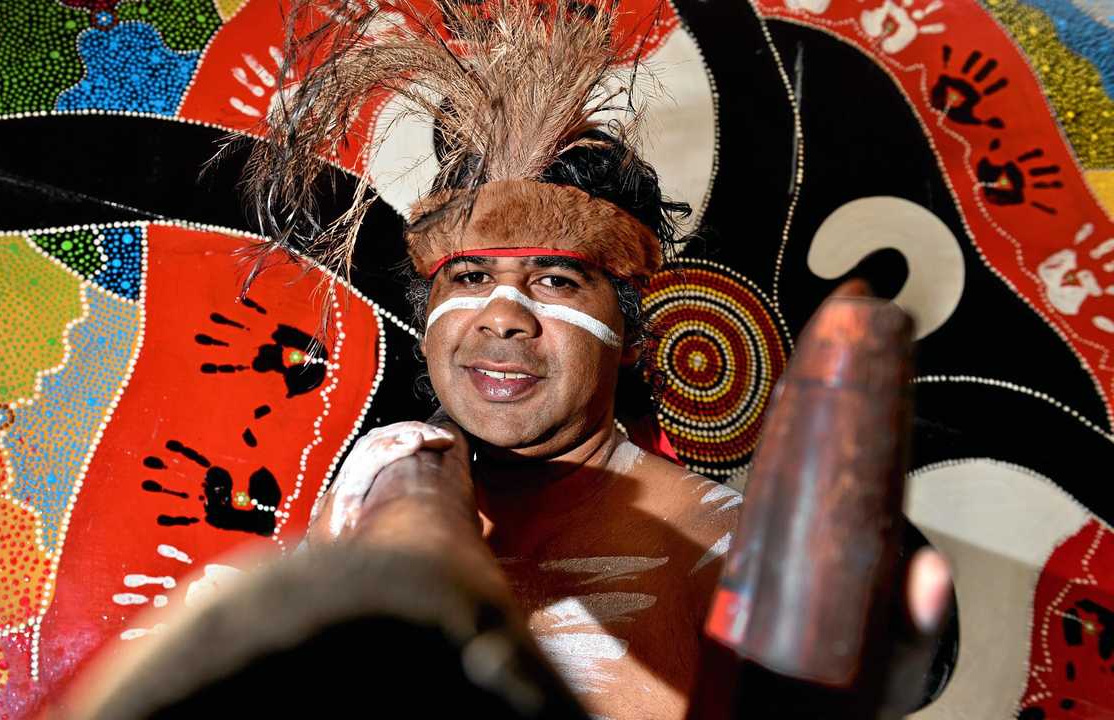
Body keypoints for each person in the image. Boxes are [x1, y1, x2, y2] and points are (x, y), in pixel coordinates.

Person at [243, 1, 953, 718]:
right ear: (429, 325)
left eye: (555, 281)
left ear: (633, 335)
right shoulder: (368, 497)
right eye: (470, 278)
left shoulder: (723, 553)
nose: (502, 315)